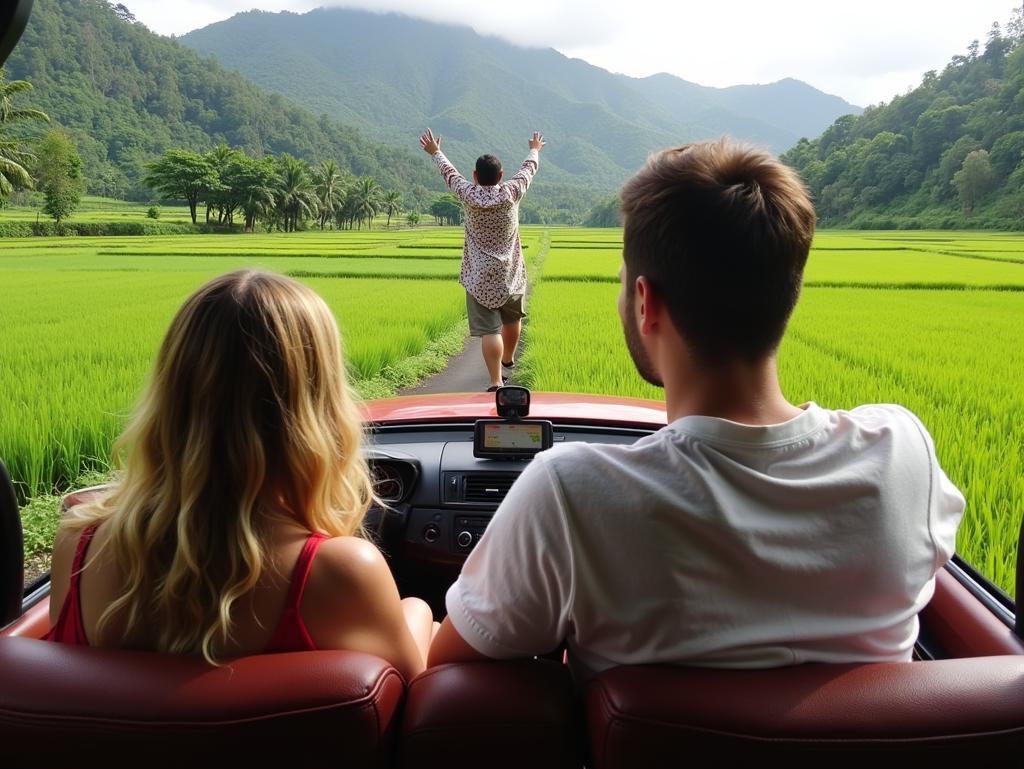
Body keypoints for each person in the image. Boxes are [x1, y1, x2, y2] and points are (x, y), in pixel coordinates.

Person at [429, 137, 965, 680]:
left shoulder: (572, 494)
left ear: (645, 303)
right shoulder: (901, 453)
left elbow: (447, 670)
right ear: (788, 290)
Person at [46, 269, 434, 677]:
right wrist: (420, 610)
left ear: (171, 397)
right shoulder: (340, 572)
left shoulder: (78, 544)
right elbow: (415, 700)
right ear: (317, 411)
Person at [420, 127, 544, 390]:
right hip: (510, 274)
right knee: (513, 320)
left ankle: (496, 380)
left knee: (490, 331)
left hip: (479, 277)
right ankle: (508, 359)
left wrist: (436, 152)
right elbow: (528, 169)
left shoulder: (468, 193)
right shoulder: (510, 193)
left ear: (475, 176)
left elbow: (450, 174)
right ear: (501, 175)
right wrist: (534, 147)